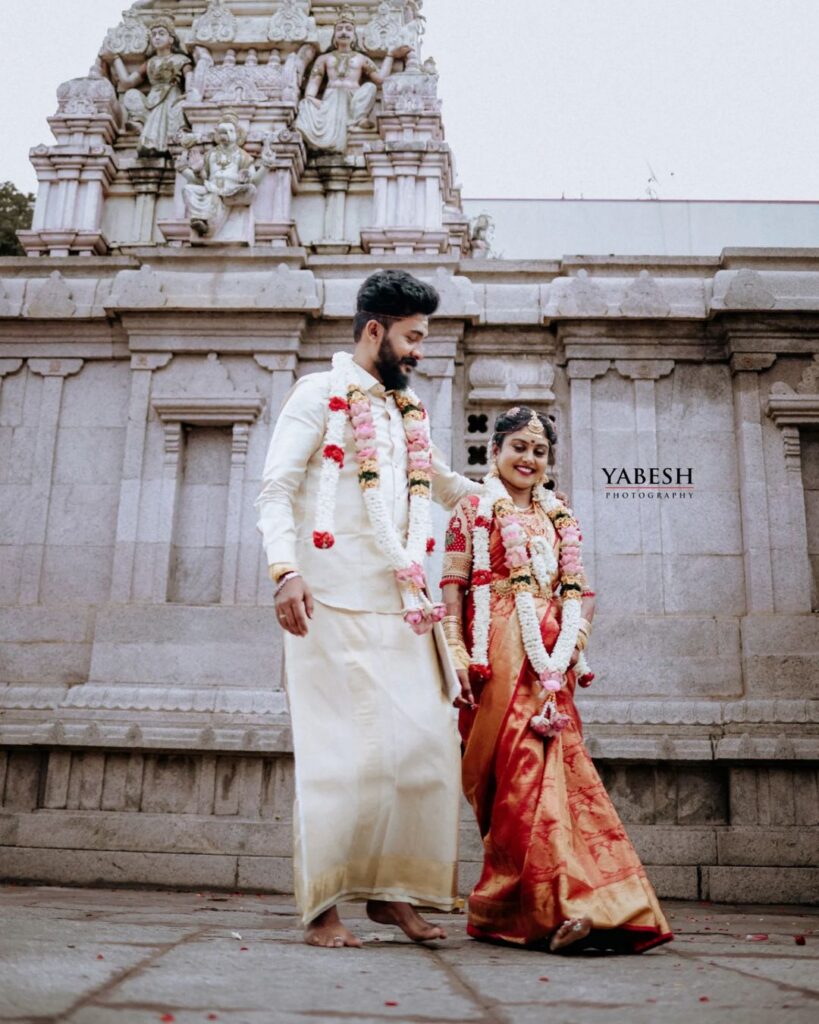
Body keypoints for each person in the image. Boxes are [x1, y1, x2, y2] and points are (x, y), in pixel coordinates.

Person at [255, 270, 477, 948]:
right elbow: (276, 488)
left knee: (424, 749)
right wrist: (285, 571)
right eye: (411, 338)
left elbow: (439, 482)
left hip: (399, 602)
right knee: (339, 759)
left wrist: (509, 497)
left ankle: (391, 895)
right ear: (374, 330)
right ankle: (323, 909)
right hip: (326, 600)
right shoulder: (316, 394)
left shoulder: (405, 412)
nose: (418, 353)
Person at [440, 406, 673, 953]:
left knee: (563, 782)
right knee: (518, 784)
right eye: (519, 446)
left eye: (540, 451)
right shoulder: (472, 509)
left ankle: (582, 906)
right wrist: (454, 653)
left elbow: (580, 591)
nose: (529, 458)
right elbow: (451, 591)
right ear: (495, 450)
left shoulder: (557, 515)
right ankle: (533, 908)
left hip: (550, 668)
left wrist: (573, 642)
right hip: (495, 661)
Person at [295, 7, 409, 153]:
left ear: (354, 36)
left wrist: (390, 55)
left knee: (370, 87)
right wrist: (313, 100)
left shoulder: (361, 58)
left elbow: (380, 79)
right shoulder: (323, 59)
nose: (344, 32)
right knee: (305, 104)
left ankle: (358, 118)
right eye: (340, 29)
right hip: (330, 101)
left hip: (354, 101)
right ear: (334, 35)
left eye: (348, 29)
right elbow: (311, 89)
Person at [101, 16, 192, 158]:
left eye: (161, 34)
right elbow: (127, 83)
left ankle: (172, 134)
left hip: (172, 97)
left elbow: (190, 80)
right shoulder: (150, 63)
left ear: (171, 39)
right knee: (131, 94)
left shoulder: (181, 60)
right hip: (151, 100)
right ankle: (141, 123)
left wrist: (190, 93)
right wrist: (115, 59)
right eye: (154, 34)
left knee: (178, 108)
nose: (156, 37)